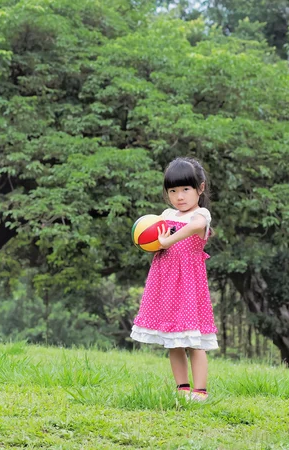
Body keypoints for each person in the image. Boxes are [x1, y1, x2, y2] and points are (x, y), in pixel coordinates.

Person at [130, 157, 218, 402]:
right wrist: (150, 241)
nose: (180, 196)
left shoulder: (200, 214)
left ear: (200, 188)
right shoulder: (166, 214)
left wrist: (169, 239)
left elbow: (196, 226)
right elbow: (150, 233)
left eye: (186, 189)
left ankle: (200, 392)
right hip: (165, 283)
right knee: (173, 340)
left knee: (194, 340)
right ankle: (182, 387)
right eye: (173, 190)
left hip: (188, 285)